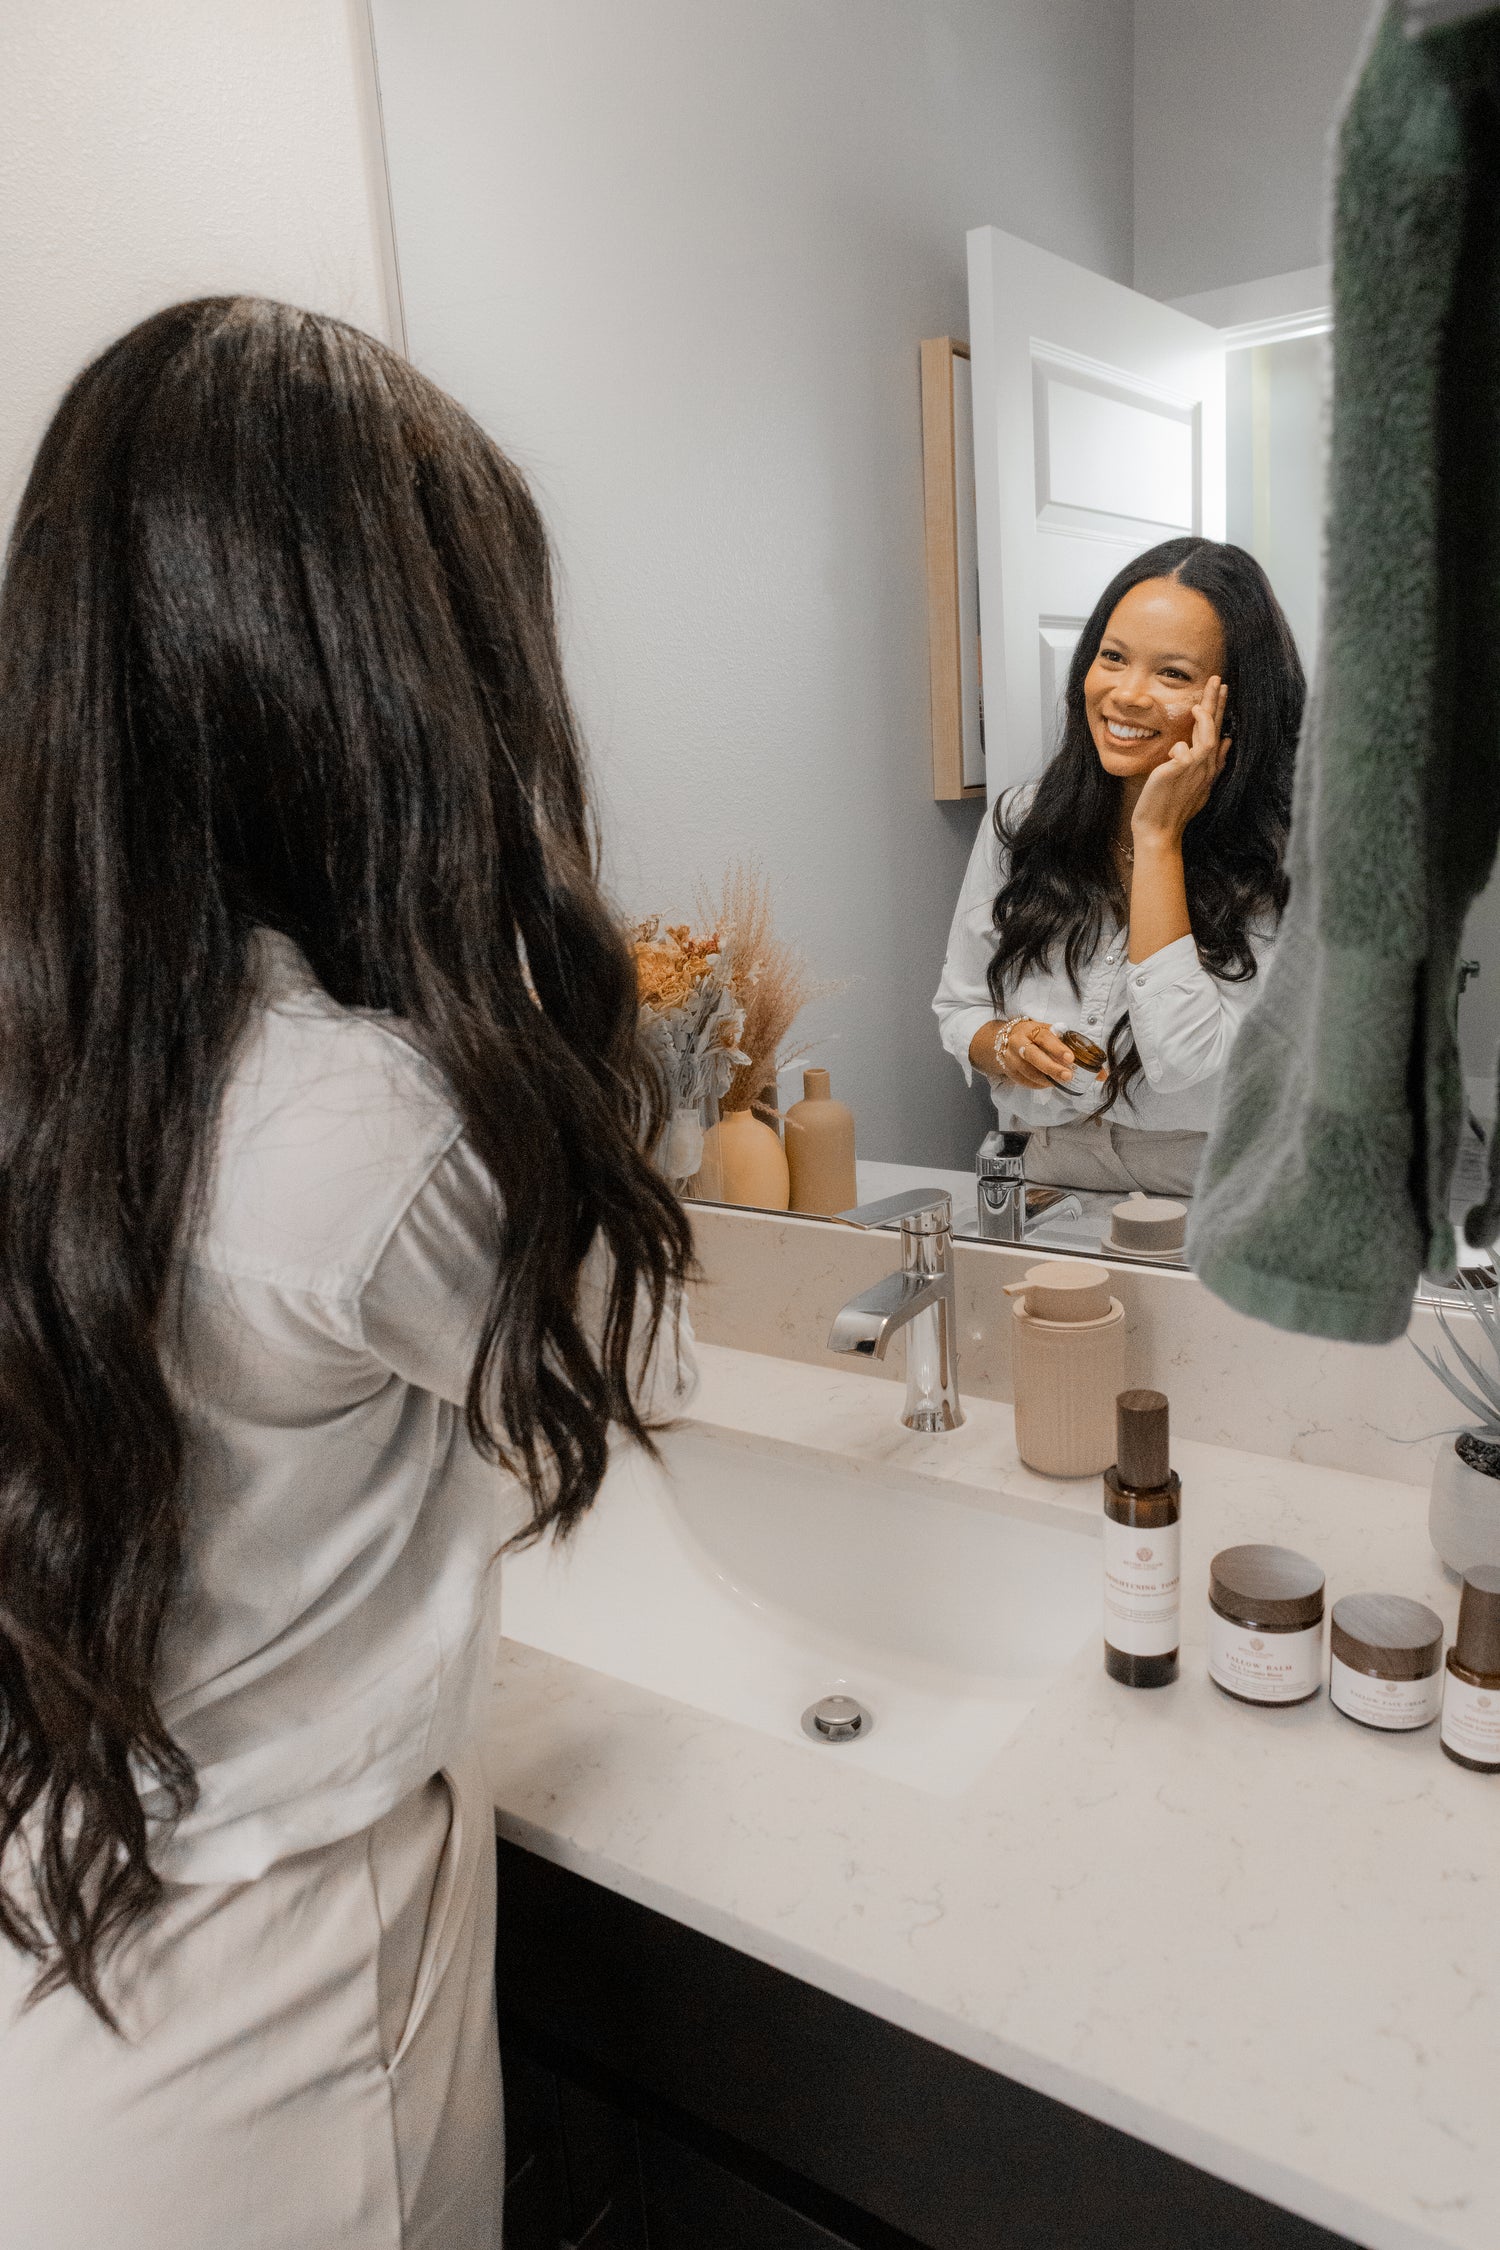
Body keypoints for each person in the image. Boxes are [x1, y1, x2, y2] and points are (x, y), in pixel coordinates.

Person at [0, 297, 694, 2248]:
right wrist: (506, 971)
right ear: (396, 696)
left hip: (66, 1976)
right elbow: (635, 1371)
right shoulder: (356, 1131)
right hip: (277, 2048)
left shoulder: (63, 1046)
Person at [933, 537, 1305, 1198]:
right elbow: (959, 1008)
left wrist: (1158, 838)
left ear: (1237, 706)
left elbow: (1183, 1059)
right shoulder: (1021, 820)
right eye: (1112, 657)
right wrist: (1007, 1044)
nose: (1126, 695)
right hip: (1041, 1167)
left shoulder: (1290, 858)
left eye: (1173, 674)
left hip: (1211, 1183)